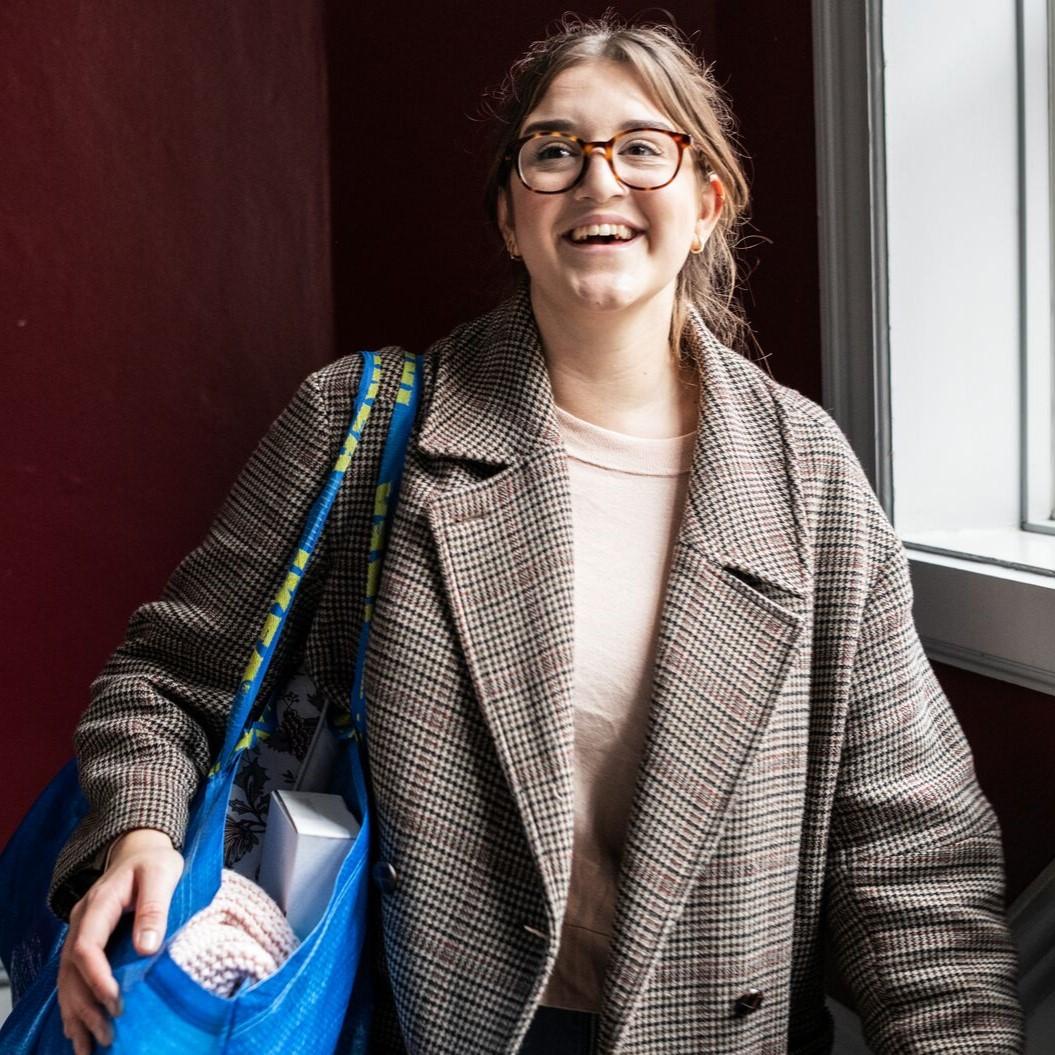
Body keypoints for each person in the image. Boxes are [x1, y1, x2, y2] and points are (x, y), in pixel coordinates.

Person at [50, 13, 1024, 1055]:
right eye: (554, 151)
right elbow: (166, 681)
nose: (598, 180)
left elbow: (908, 856)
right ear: (511, 216)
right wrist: (140, 828)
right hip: (417, 1024)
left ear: (705, 202)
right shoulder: (363, 421)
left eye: (642, 147)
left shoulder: (807, 478)